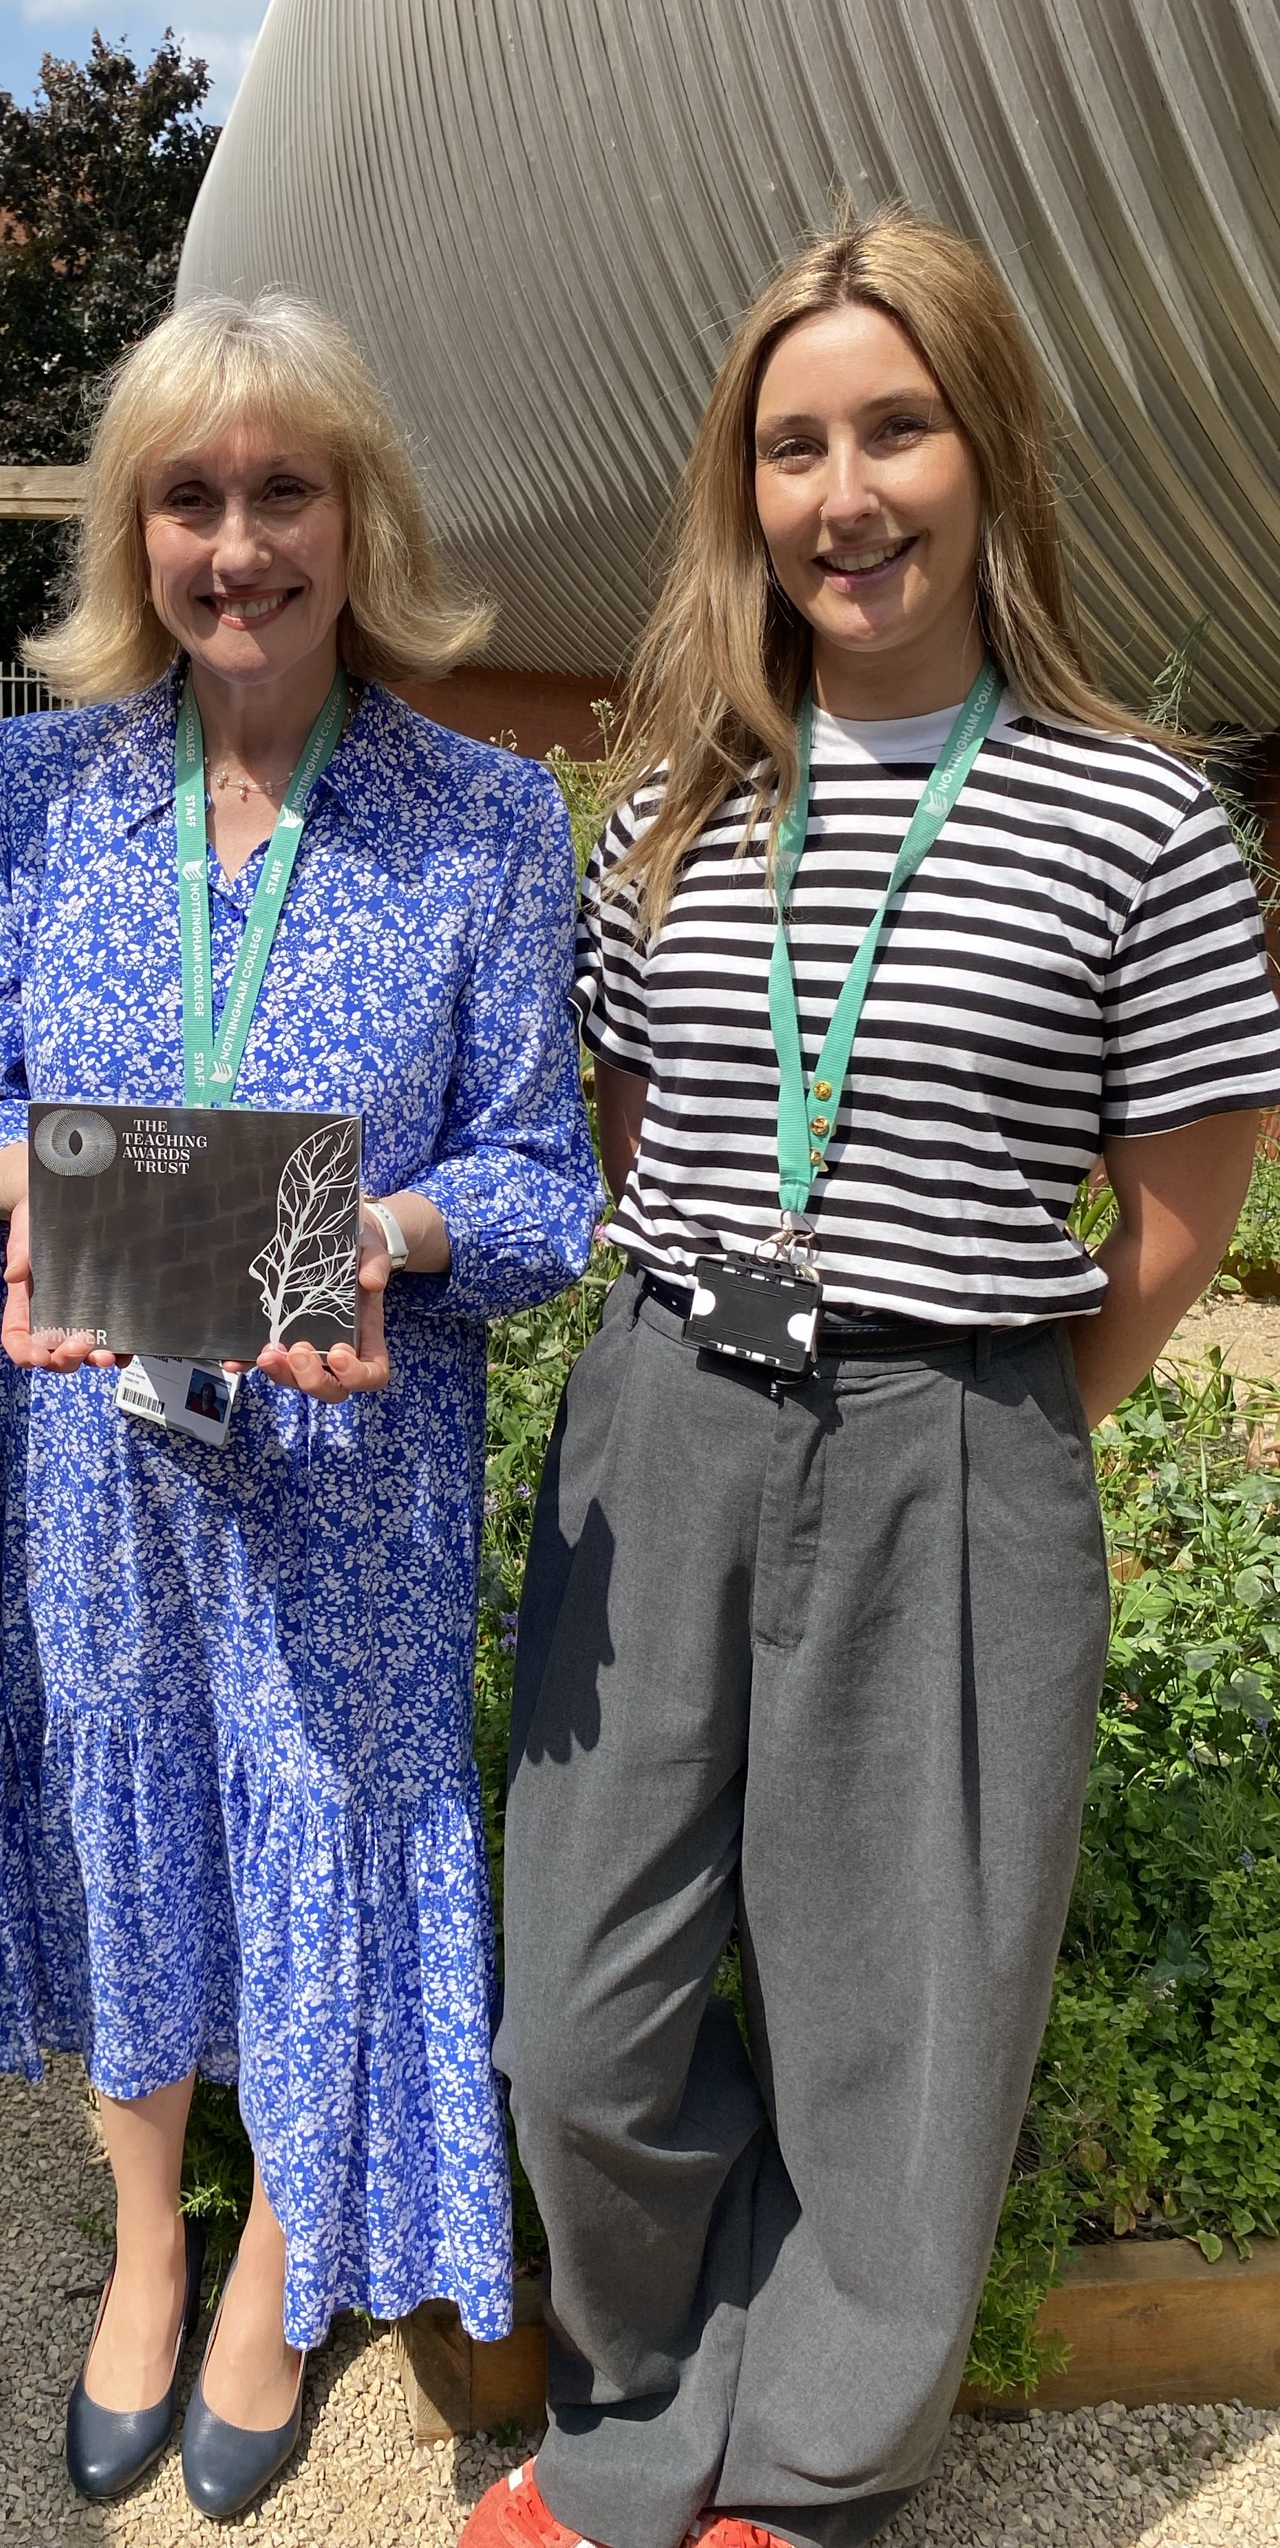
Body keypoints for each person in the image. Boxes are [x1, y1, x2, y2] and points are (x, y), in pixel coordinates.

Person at [464, 211, 1280, 2548]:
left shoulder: (1139, 820)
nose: (846, 493)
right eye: (794, 443)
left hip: (950, 1428)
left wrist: (982, 1424)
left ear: (988, 446)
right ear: (744, 490)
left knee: (895, 2005)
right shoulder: (672, 815)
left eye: (895, 428)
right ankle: (649, 2396)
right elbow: (639, 1129)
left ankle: (812, 2463)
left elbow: (1178, 1212)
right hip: (665, 1414)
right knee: (579, 2011)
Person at [0, 292, 601, 2521]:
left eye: (283, 489)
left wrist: (378, 1232)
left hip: (346, 1464)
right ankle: (144, 2243)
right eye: (189, 496)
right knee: (123, 1821)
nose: (237, 544)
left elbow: (544, 1181)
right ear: (136, 531)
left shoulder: (484, 819)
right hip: (96, 1451)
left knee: (330, 1838)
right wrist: (45, 1200)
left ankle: (278, 2270)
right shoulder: (33, 791)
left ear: (357, 515)